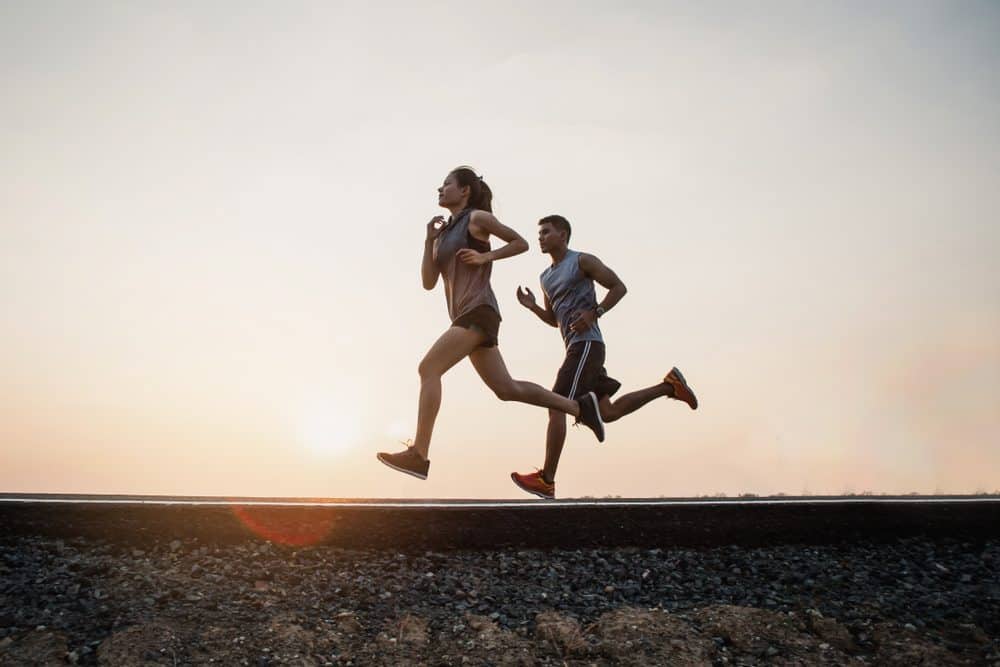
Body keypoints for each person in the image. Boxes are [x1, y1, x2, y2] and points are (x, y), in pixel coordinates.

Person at [377, 169, 605, 480]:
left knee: (428, 368)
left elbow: (520, 243)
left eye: (447, 184)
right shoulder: (443, 233)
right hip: (463, 315)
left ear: (465, 191)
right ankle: (580, 409)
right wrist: (428, 239)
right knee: (506, 388)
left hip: (479, 311)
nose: (440, 189)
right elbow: (428, 282)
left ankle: (419, 454)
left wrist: (486, 258)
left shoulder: (477, 218)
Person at [510, 214, 698, 499]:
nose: (540, 237)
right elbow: (554, 319)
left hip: (587, 345)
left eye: (546, 232)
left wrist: (595, 313)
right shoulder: (545, 277)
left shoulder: (582, 261)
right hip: (579, 347)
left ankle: (547, 479)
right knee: (607, 413)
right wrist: (533, 307)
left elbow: (619, 287)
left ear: (563, 235)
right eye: (539, 233)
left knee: (556, 404)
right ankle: (669, 386)